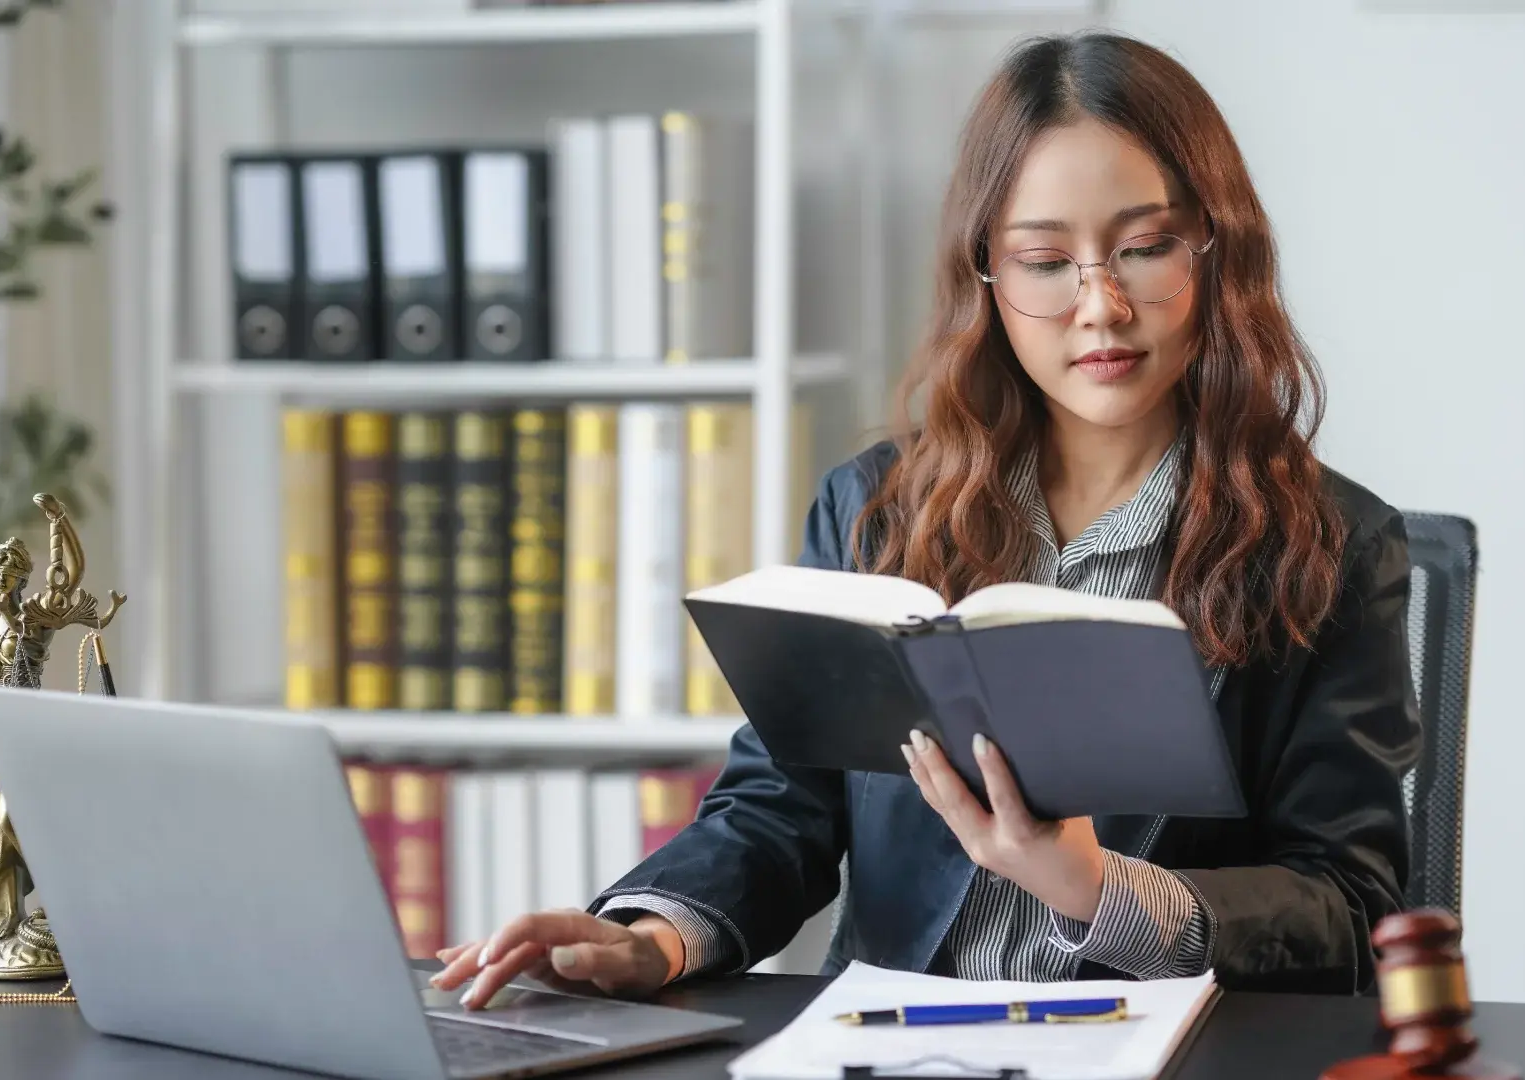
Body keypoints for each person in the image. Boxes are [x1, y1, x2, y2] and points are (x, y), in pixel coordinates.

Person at [431, 29, 1421, 1004]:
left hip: (1158, 1050)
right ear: (985, 274)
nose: (1103, 306)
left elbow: (1350, 909)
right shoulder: (875, 512)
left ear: (1217, 251)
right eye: (1045, 260)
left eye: (1146, 247)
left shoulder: (1328, 549)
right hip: (894, 1039)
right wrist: (651, 940)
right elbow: (782, 805)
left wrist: (1102, 891)